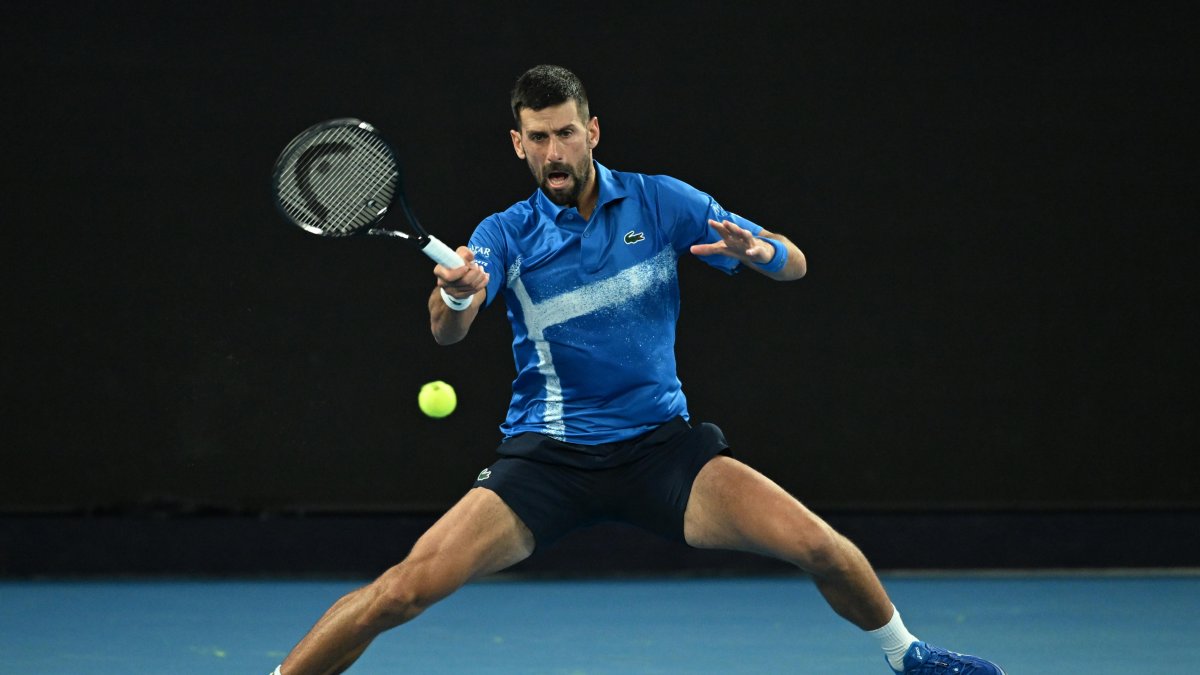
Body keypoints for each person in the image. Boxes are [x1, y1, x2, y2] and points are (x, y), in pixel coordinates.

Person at [271, 65, 1005, 675]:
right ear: (517, 144)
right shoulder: (504, 234)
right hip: (548, 459)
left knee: (819, 544)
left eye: (566, 132)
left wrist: (761, 254)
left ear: (591, 131)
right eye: (538, 138)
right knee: (402, 590)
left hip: (662, 449)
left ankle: (910, 657)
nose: (554, 151)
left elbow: (794, 261)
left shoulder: (663, 201)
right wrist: (456, 293)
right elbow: (449, 328)